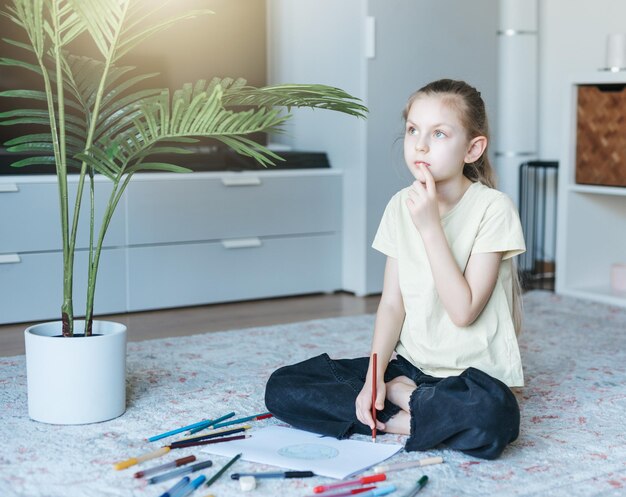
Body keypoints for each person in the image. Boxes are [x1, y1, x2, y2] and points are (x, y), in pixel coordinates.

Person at [264, 79, 526, 460]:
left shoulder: (493, 209)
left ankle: (405, 408)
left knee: (494, 418)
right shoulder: (399, 205)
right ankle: (419, 411)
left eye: (439, 133)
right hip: (410, 364)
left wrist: (430, 228)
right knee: (284, 387)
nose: (420, 144)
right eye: (413, 130)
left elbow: (463, 310)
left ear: (472, 148)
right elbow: (391, 304)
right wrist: (374, 378)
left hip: (471, 376)